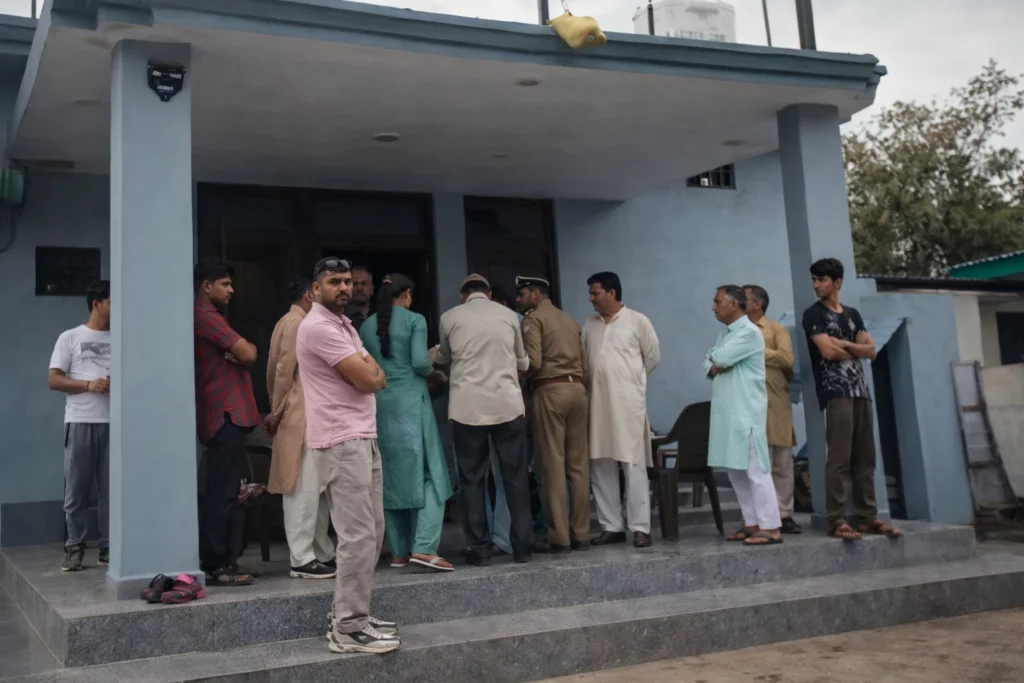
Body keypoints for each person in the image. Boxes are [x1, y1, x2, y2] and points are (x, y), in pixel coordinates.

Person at [296, 257, 399, 654]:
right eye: (334, 281)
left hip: (361, 435)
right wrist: (366, 370)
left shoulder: (345, 326)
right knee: (357, 536)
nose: (344, 288)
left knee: (371, 533)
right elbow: (370, 378)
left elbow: (375, 374)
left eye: (347, 281)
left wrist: (367, 370)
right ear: (315, 289)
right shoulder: (320, 327)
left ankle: (350, 611)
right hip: (342, 440)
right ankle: (348, 628)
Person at [802, 258, 902, 541]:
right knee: (839, 459)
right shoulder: (813, 315)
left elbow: (872, 351)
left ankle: (869, 518)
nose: (816, 285)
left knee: (866, 458)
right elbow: (827, 353)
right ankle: (837, 520)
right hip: (836, 392)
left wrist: (845, 344)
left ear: (837, 282)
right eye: (814, 280)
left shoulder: (853, 314)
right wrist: (854, 347)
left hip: (861, 392)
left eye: (822, 280)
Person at [359, 274, 454, 572]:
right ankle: (424, 547)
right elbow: (419, 362)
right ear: (408, 294)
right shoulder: (415, 320)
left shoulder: (365, 325)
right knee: (432, 474)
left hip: (381, 406)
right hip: (413, 404)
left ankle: (399, 552)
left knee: (390, 477)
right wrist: (434, 373)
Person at [437, 274, 533, 565]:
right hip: (507, 406)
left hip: (468, 409)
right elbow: (523, 361)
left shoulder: (449, 317)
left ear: (462, 295)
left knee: (472, 480)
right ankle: (523, 547)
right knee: (515, 478)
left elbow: (444, 357)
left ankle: (479, 548)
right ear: (489, 294)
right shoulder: (509, 316)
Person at [193, 258, 262, 587]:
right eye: (225, 284)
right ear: (207, 286)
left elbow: (246, 352)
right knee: (220, 493)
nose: (232, 289)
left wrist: (241, 350)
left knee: (223, 491)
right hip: (223, 415)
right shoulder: (205, 316)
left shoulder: (210, 317)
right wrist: (241, 350)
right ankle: (215, 565)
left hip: (224, 416)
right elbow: (248, 354)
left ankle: (222, 561)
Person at [583, 272, 660, 549]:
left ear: (612, 293)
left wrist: (631, 383)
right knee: (600, 462)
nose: (591, 299)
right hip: (596, 403)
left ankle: (640, 527)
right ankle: (611, 526)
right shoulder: (589, 325)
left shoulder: (637, 321)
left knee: (633, 464)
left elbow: (652, 357)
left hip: (627, 404)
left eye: (595, 293)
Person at [265, 277, 336, 579]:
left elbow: (273, 369)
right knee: (303, 488)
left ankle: (321, 551)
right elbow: (282, 371)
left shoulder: (291, 320)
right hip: (299, 413)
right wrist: (277, 410)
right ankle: (302, 558)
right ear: (310, 294)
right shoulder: (297, 323)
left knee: (316, 488)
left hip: (308, 414)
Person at [515, 275, 590, 553]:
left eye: (522, 294)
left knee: (552, 467)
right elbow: (585, 364)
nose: (519, 300)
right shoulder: (569, 320)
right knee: (579, 467)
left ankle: (560, 536)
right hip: (577, 392)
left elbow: (534, 362)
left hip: (549, 391)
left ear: (536, 294)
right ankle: (581, 533)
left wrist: (519, 377)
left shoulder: (533, 320)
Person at [705, 285, 782, 547]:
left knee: (756, 470)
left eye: (717, 302)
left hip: (746, 413)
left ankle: (770, 527)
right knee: (736, 471)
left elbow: (721, 359)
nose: (713, 307)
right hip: (728, 413)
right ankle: (752, 523)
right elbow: (709, 363)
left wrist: (717, 361)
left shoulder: (748, 332)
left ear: (734, 305)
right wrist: (715, 361)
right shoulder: (725, 334)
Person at [48, 280, 111, 572]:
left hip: (115, 425)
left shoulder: (122, 338)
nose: (117, 309)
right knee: (77, 490)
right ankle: (74, 547)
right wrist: (88, 384)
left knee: (112, 492)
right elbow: (54, 379)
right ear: (96, 304)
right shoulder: (70, 337)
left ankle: (109, 548)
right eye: (112, 302)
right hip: (81, 421)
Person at [744, 285, 802, 535]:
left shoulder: (775, 329)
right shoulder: (738, 331)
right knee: (757, 462)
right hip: (750, 403)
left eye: (743, 299)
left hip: (776, 399)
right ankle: (761, 515)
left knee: (782, 461)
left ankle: (784, 513)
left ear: (757, 304)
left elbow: (787, 360)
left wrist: (755, 351)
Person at [344, 265, 374, 331]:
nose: (359, 288)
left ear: (372, 290)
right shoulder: (339, 317)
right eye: (354, 284)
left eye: (364, 283)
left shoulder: (380, 316)